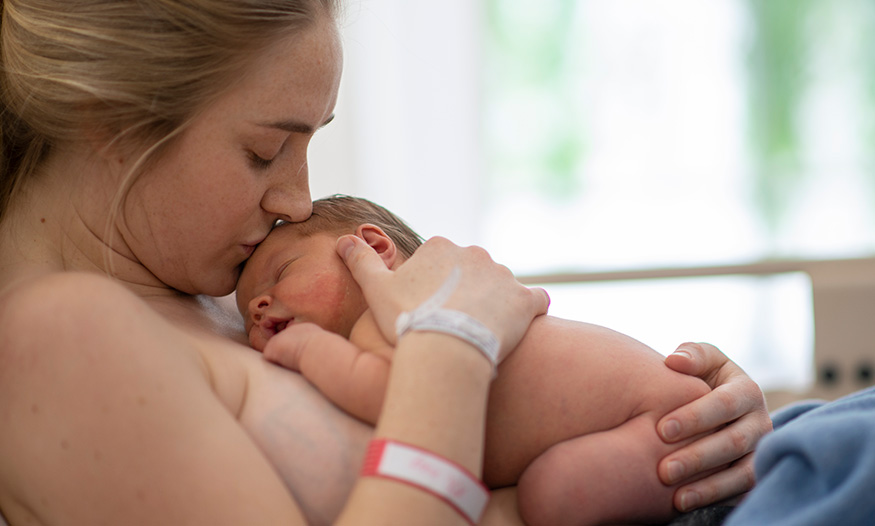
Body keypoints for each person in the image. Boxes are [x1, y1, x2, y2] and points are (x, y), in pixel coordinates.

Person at [0, 1, 770, 525]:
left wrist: (692, 426)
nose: (297, 201)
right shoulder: (57, 340)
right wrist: (450, 349)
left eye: (309, 144)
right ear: (116, 123)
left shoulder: (220, 300)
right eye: (264, 150)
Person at [234, 194, 746, 525]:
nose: (257, 307)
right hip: (658, 418)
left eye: (281, 273)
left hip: (661, 421)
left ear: (371, 246)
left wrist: (310, 350)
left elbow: (399, 394)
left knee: (553, 496)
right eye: (246, 314)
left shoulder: (401, 308)